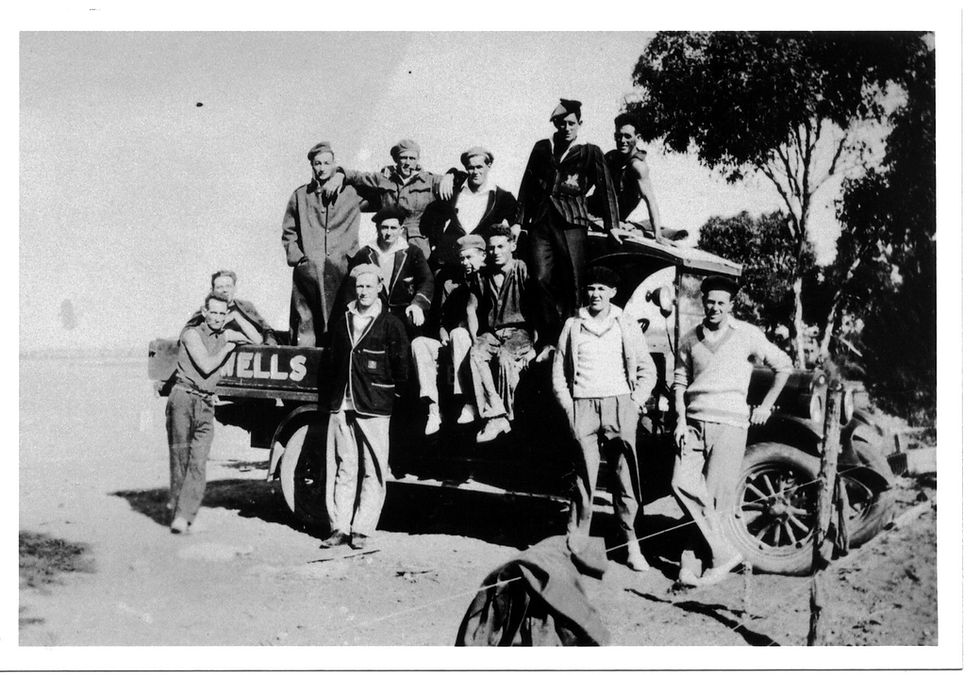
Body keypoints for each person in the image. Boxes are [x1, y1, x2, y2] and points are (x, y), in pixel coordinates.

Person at [672, 275, 793, 586]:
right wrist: (680, 421)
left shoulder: (747, 335)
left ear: (731, 305)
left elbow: (784, 365)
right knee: (681, 484)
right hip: (694, 423)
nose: (714, 308)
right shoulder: (688, 339)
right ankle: (722, 554)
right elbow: (679, 383)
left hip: (731, 425)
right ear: (702, 302)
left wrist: (765, 406)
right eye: (709, 301)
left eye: (720, 303)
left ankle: (693, 561)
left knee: (712, 499)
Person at [552, 266, 657, 572]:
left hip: (619, 406)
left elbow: (646, 369)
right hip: (583, 406)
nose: (595, 294)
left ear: (613, 293)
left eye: (602, 289)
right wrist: (569, 407)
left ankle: (631, 545)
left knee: (625, 479)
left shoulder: (624, 324)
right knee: (583, 480)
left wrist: (634, 403)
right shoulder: (574, 324)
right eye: (591, 288)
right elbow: (559, 371)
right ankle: (577, 546)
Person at [515, 99, 619, 353]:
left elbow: (605, 188)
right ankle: (551, 336)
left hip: (573, 223)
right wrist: (518, 222)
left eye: (571, 123)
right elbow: (526, 184)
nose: (566, 128)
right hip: (541, 222)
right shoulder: (542, 148)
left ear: (580, 124)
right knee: (539, 278)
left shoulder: (589, 151)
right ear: (555, 125)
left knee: (575, 281)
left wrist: (612, 224)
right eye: (561, 123)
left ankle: (575, 338)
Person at [320, 264, 410, 550]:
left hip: (374, 406)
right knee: (344, 467)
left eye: (369, 286)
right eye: (360, 286)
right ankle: (339, 528)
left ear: (379, 288)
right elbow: (330, 361)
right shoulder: (344, 319)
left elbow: (402, 367)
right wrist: (330, 400)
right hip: (341, 403)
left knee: (373, 468)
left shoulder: (390, 323)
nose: (364, 291)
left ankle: (362, 529)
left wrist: (389, 396)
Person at [167, 293, 253, 534]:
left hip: (206, 404)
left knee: (199, 461)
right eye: (213, 312)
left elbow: (255, 339)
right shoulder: (192, 334)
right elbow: (205, 365)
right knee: (181, 459)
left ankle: (184, 514)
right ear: (204, 312)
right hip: (184, 399)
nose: (216, 317)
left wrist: (237, 321)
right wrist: (228, 348)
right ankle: (180, 514)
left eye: (221, 313)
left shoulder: (224, 333)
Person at [281, 141, 363, 347]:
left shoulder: (351, 193)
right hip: (309, 273)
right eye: (317, 163)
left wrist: (343, 174)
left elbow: (382, 190)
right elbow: (289, 231)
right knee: (306, 323)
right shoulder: (301, 195)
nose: (322, 168)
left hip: (341, 271)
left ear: (335, 164)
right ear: (312, 166)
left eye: (327, 163)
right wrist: (299, 259)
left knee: (341, 325)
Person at [324, 139, 453, 258]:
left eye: (412, 158)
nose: (408, 163)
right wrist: (339, 175)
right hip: (389, 239)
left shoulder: (430, 181)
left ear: (418, 159)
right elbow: (356, 176)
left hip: (418, 243)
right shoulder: (384, 178)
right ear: (396, 159)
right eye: (403, 158)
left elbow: (461, 180)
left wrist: (450, 175)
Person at [411, 234, 486, 434]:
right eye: (462, 258)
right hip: (452, 344)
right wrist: (443, 334)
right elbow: (442, 320)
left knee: (460, 334)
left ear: (483, 257)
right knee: (419, 343)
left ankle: (468, 401)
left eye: (470, 257)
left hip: (475, 343)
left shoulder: (488, 281)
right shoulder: (451, 283)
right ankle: (433, 409)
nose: (465, 263)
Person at [467, 223, 535, 443]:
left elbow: (538, 305)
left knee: (505, 357)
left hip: (519, 331)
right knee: (476, 353)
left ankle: (508, 416)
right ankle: (495, 411)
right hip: (493, 331)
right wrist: (473, 337)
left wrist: (537, 341)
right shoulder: (483, 274)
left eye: (501, 246)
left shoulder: (522, 269)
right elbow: (471, 308)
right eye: (492, 248)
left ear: (512, 245)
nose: (496, 252)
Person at [422, 147, 518, 271]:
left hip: (483, 263)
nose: (475, 172)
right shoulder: (453, 191)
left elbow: (514, 222)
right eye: (471, 168)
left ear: (488, 166)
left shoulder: (502, 197)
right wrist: (435, 244)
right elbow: (432, 217)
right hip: (452, 261)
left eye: (479, 167)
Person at [345, 205, 434, 334]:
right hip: (374, 314)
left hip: (404, 314)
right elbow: (351, 286)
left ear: (401, 229)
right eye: (384, 227)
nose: (388, 233)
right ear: (377, 228)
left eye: (393, 228)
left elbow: (427, 281)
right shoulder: (365, 253)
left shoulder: (413, 252)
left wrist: (417, 305)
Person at [590, 113, 666, 243]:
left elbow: (650, 200)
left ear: (638, 137)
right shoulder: (610, 158)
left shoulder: (638, 167)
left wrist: (658, 235)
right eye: (618, 136)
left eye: (627, 136)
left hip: (609, 221)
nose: (622, 141)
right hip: (591, 213)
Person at [184, 270, 278, 345]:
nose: (225, 290)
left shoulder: (246, 307)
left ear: (234, 288)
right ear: (212, 290)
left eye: (228, 286)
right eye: (219, 287)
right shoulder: (206, 311)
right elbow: (186, 334)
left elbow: (266, 330)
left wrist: (269, 346)